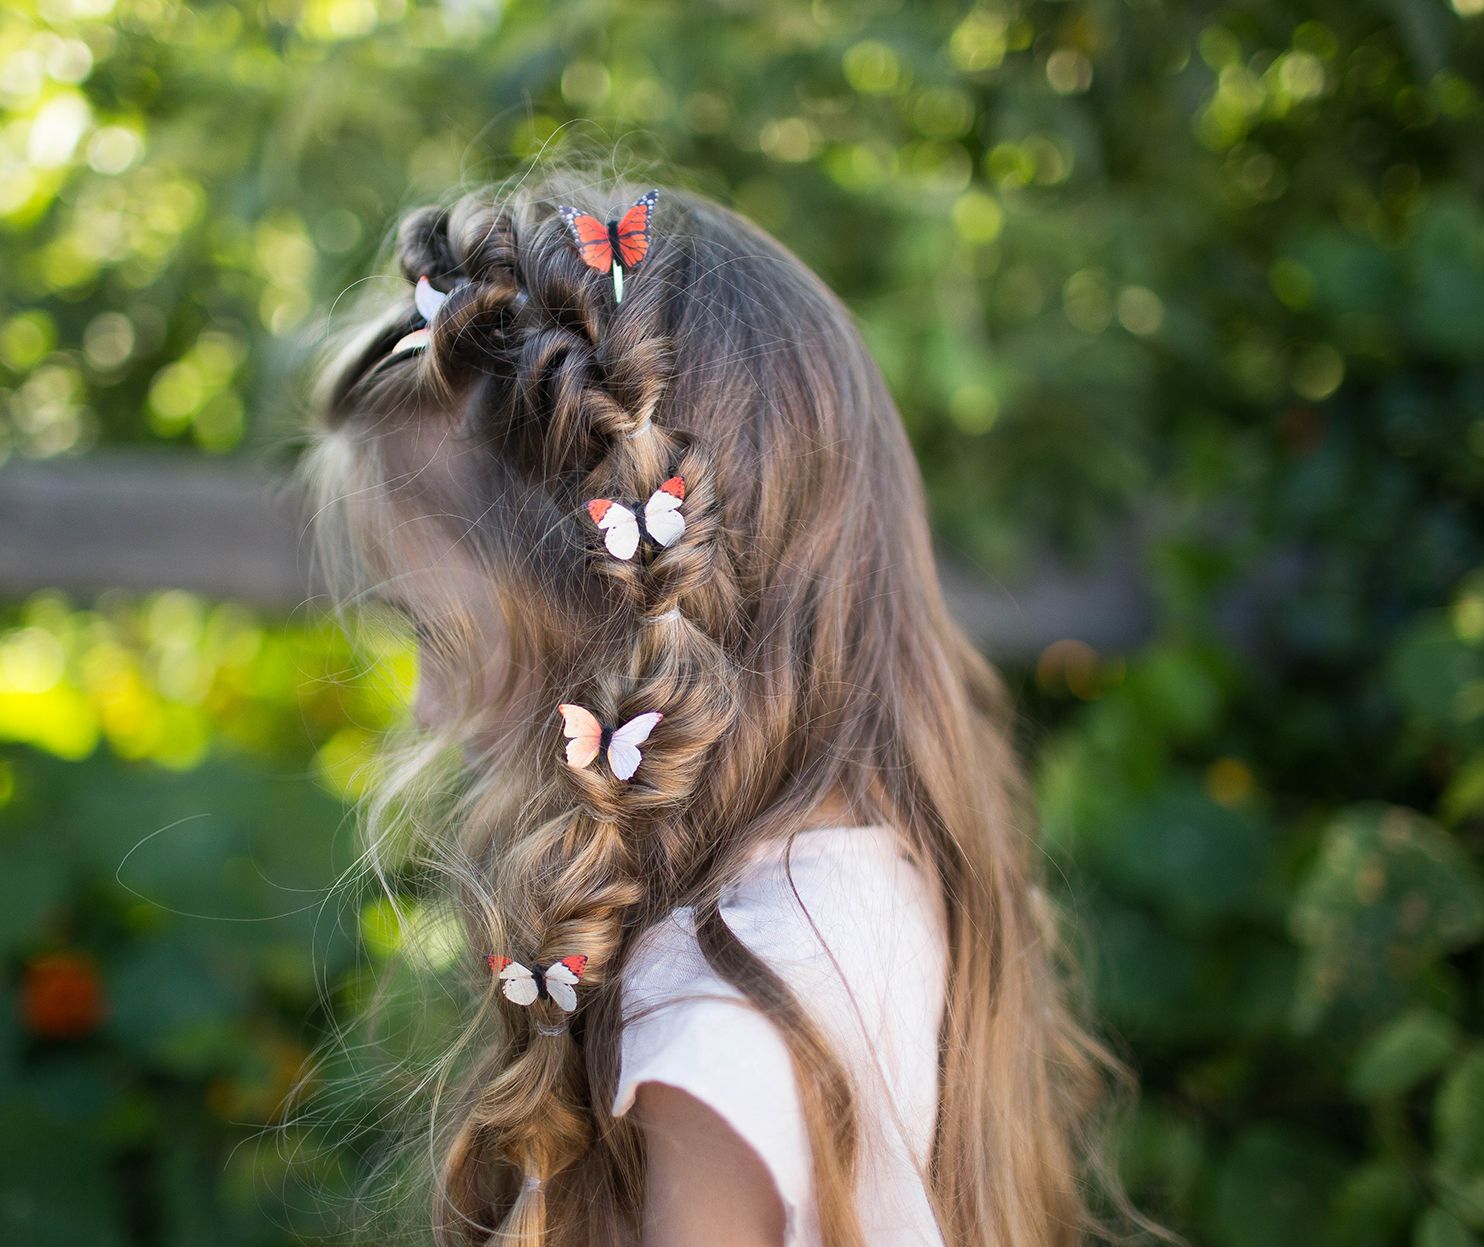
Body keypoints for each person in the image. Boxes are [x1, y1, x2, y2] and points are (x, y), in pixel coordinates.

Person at [306, 172, 1133, 1247]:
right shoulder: (874, 876)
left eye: (433, 633)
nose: (422, 708)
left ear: (608, 616)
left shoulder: (717, 1024)